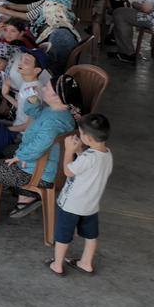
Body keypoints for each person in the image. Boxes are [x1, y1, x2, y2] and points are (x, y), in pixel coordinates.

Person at [0, 75, 79, 227]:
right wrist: (33, 102)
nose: (44, 88)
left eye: (48, 88)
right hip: (42, 166)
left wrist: (20, 156)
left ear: (58, 98)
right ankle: (24, 195)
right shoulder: (58, 112)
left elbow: (41, 143)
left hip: (36, 173)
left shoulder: (54, 122)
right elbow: (37, 116)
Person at [50, 113, 113, 276]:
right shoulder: (107, 154)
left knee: (63, 236)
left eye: (81, 133)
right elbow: (88, 166)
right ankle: (86, 263)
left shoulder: (87, 158)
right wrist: (79, 151)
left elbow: (68, 171)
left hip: (71, 205)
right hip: (90, 206)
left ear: (88, 138)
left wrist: (68, 151)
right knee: (91, 236)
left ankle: (57, 265)